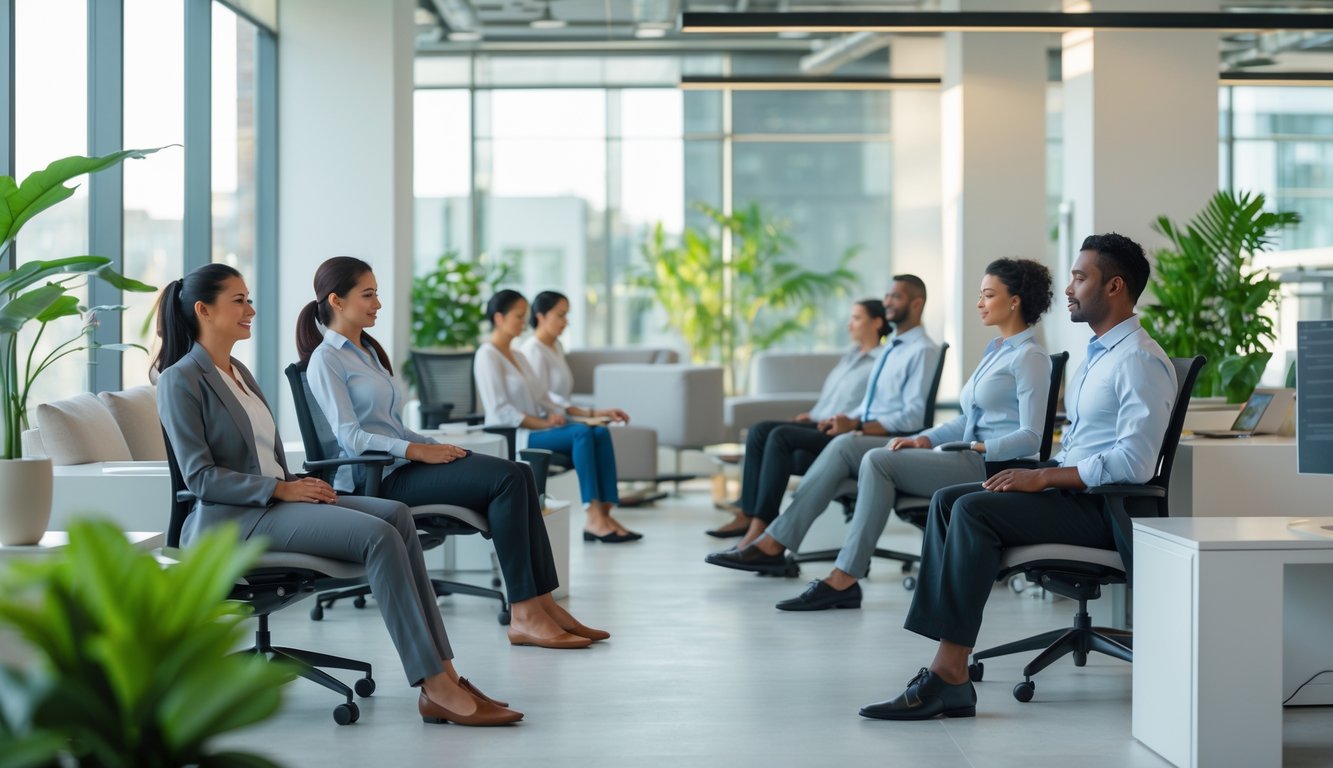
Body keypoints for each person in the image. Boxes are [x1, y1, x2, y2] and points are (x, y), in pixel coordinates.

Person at [155, 264, 522, 727]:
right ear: (203, 310)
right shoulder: (180, 379)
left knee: (395, 516)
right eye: (239, 301)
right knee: (377, 537)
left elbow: (261, 454)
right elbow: (202, 478)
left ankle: (446, 673)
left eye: (250, 299)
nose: (251, 310)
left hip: (276, 503)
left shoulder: (239, 371)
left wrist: (300, 486)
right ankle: (434, 684)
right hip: (235, 520)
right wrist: (283, 489)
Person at [859, 233, 1176, 721]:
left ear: (1114, 286)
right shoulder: (1101, 353)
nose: (1068, 288)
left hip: (1105, 509)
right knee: (947, 499)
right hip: (1077, 493)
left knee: (972, 509)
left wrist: (1046, 478)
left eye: (1079, 277)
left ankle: (949, 676)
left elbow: (1134, 463)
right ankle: (948, 660)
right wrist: (1043, 473)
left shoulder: (1138, 359)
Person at [298, 257, 607, 651]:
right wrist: (416, 451)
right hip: (376, 479)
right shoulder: (327, 359)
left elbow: (390, 423)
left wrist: (428, 444)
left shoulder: (367, 351)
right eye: (368, 294)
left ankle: (543, 604)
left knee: (519, 472)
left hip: (403, 462)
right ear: (337, 301)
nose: (377, 303)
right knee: (508, 479)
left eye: (377, 293)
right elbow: (352, 437)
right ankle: (526, 614)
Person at [772, 259, 1054, 611]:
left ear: (1015, 301)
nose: (980, 303)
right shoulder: (995, 351)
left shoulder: (1031, 358)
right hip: (964, 454)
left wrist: (981, 445)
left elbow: (1032, 436)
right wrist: (924, 438)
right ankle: (845, 575)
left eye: (988, 295)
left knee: (878, 460)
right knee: (881, 457)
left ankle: (845, 577)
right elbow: (967, 418)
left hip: (991, 467)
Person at [706, 275, 941, 574]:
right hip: (860, 429)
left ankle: (762, 535)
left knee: (780, 437)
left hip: (886, 439)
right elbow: (870, 404)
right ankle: (757, 528)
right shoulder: (893, 348)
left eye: (896, 297)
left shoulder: (922, 350)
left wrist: (854, 424)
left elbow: (913, 418)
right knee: (765, 432)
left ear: (917, 303)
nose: (888, 303)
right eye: (887, 296)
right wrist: (839, 419)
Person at [708, 298, 888, 540]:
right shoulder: (851, 356)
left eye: (857, 318)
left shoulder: (882, 361)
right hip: (820, 421)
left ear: (877, 322)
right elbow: (831, 398)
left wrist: (845, 422)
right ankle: (748, 513)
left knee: (779, 437)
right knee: (759, 431)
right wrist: (811, 415)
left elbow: (870, 407)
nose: (849, 324)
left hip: (841, 429)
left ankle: (761, 525)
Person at [475, 289, 638, 543]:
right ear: (499, 318)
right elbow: (501, 411)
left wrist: (592, 413)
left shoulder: (517, 355)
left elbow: (544, 397)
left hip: (536, 430)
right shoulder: (487, 355)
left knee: (599, 430)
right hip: (516, 436)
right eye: (518, 317)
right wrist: (544, 423)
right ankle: (593, 517)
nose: (523, 323)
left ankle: (605, 514)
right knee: (582, 433)